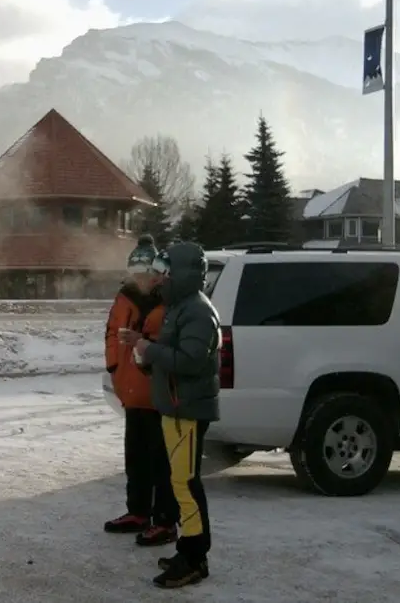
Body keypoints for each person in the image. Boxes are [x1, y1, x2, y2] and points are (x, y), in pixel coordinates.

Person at [134, 242, 221, 588]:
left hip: (186, 409)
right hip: (174, 406)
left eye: (164, 273)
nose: (157, 280)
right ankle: (188, 546)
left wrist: (149, 349)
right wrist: (148, 359)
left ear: (181, 274)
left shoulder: (198, 311)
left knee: (185, 483)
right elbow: (174, 357)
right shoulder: (180, 306)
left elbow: (190, 360)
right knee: (179, 481)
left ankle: (195, 558)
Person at [103, 235, 179, 547]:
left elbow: (175, 344)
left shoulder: (172, 300)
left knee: (162, 460)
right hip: (132, 390)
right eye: (134, 274)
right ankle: (138, 512)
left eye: (143, 274)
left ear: (156, 273)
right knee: (135, 456)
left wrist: (145, 341)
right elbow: (110, 333)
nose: (139, 280)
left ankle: (165, 520)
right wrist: (115, 369)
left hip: (160, 393)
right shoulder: (124, 296)